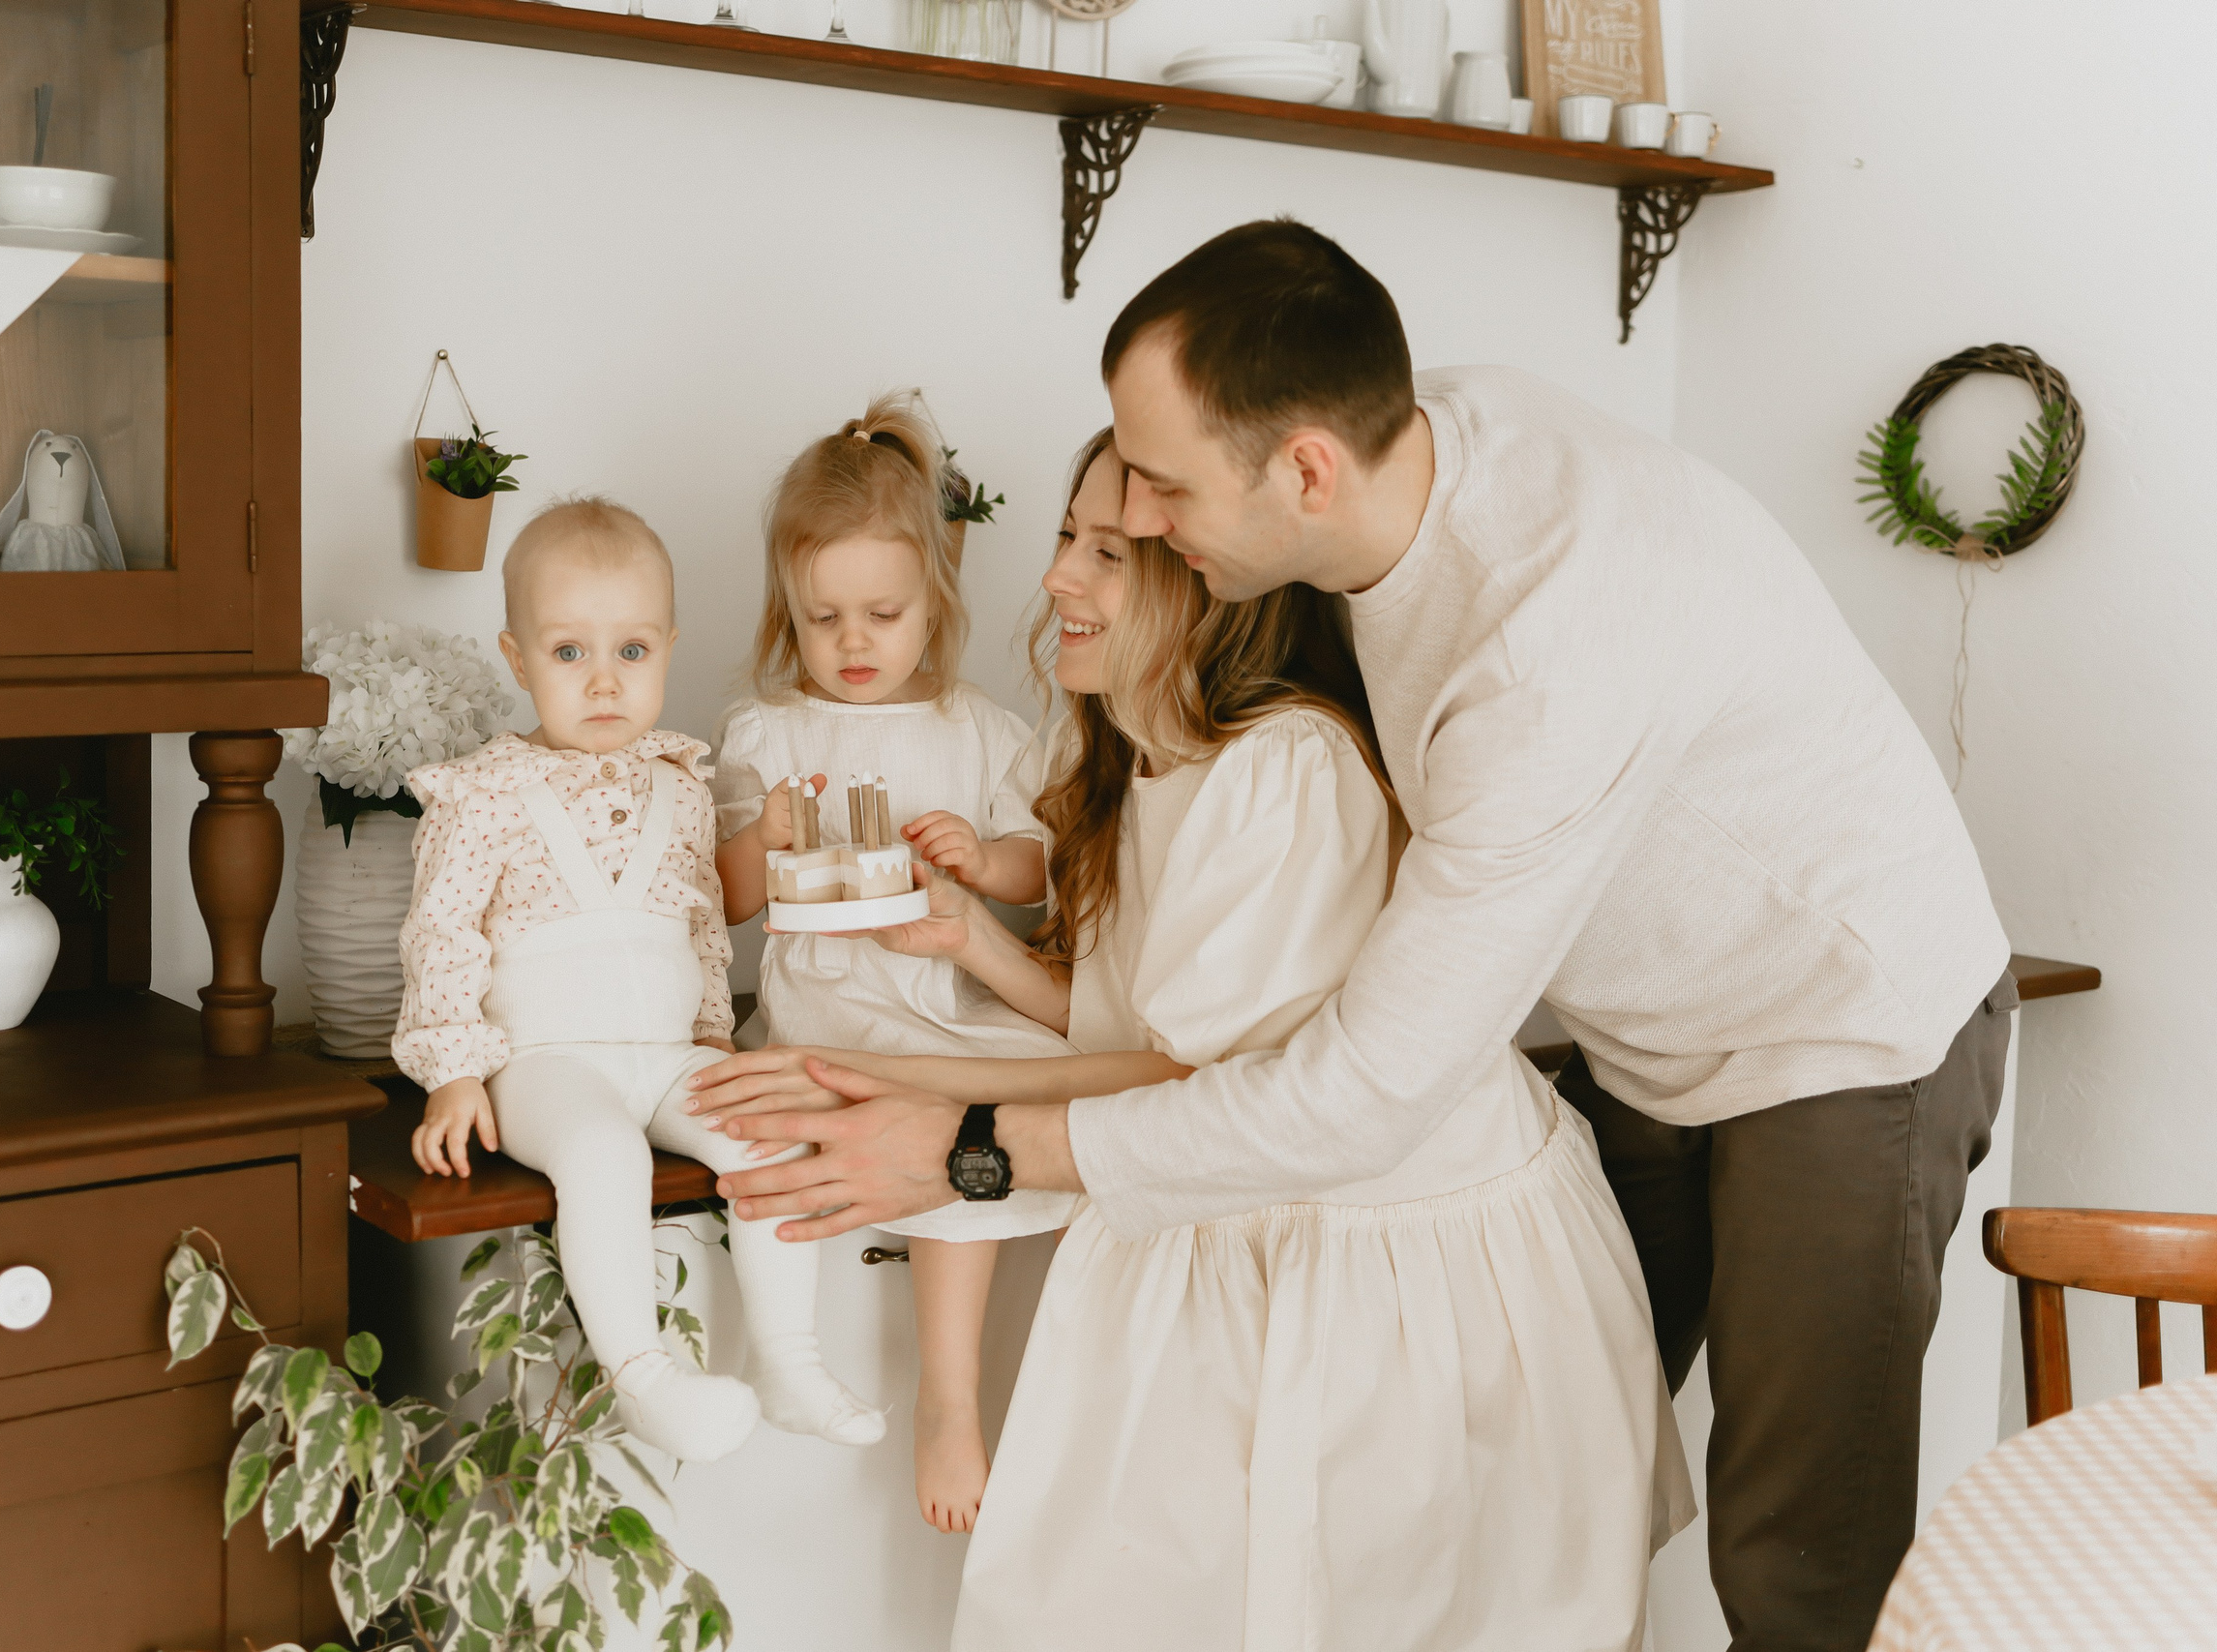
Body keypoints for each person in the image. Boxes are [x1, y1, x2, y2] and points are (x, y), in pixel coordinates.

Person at [708, 222, 2018, 1652]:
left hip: (1835, 1019)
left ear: (1304, 472)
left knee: (1794, 1558)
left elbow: (1359, 1089)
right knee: (1540, 1467)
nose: (1135, 522)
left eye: (1155, 487)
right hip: (1636, 1033)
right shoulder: (1409, 444)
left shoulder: (1543, 655)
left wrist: (960, 1138)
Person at [690, 430, 1689, 1651]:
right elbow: (1120, 1018)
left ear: (1205, 576)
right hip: (1208, 1215)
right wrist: (969, 956)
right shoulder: (1112, 754)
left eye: (1106, 552)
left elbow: (1197, 1076)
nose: (1057, 577)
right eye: (1066, 538)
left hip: (1394, 1262)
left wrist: (900, 1091)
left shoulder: (1286, 770)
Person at [394, 496, 883, 1462]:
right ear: (517, 656)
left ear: (666, 647)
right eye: (570, 652)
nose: (604, 680)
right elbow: (440, 932)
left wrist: (710, 1035)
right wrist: (453, 1070)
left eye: (631, 651)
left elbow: (701, 923)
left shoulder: (682, 785)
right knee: (604, 1157)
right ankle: (645, 1376)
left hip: (666, 1053)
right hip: (544, 1061)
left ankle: (788, 1361)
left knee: (772, 1139)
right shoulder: (484, 791)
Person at [710, 392, 1079, 1532]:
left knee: (971, 1114)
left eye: (881, 612)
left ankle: (949, 1394)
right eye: (823, 618)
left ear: (936, 601)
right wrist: (759, 839)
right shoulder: (768, 734)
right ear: (788, 610)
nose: (852, 643)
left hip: (934, 1008)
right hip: (823, 1024)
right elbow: (714, 907)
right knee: (823, 1112)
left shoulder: (978, 731)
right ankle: (796, 1355)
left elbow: (1039, 868)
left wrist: (980, 858)